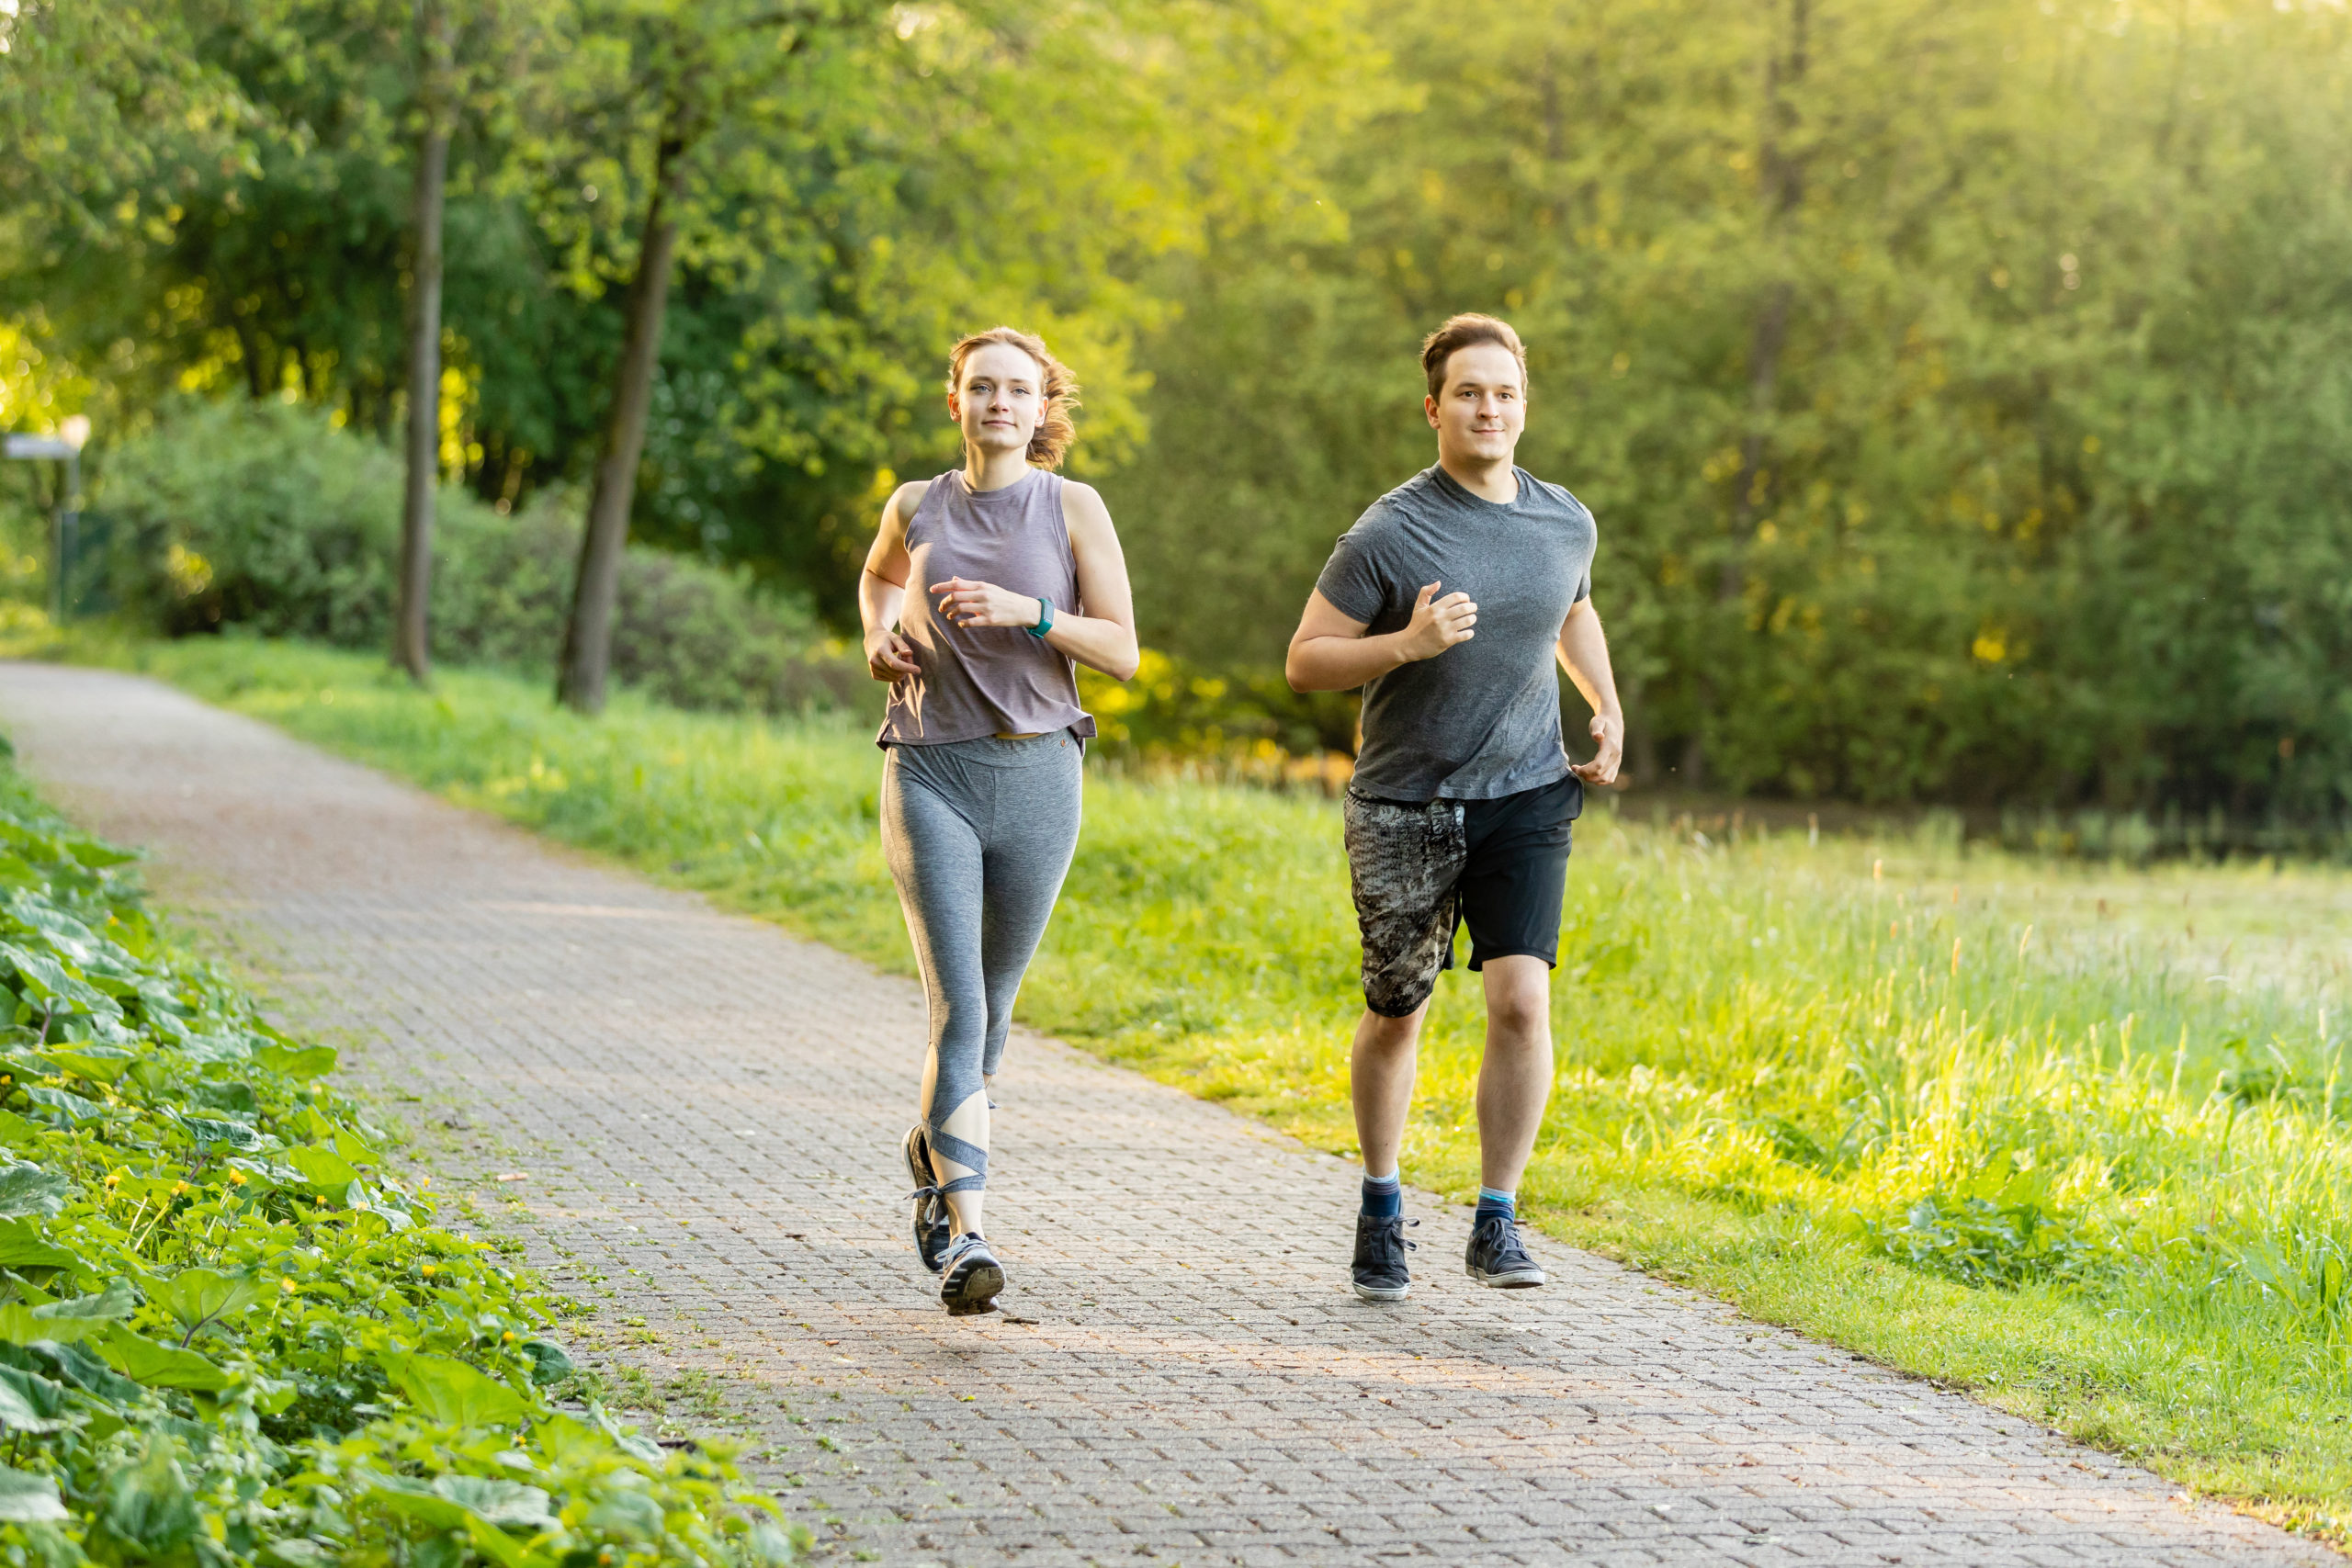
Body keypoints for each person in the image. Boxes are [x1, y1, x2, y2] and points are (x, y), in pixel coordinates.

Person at [1284, 313, 1623, 1303]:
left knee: (1521, 1001)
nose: (1489, 409)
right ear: (1434, 409)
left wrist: (1605, 705)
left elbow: (1572, 609)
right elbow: (1304, 660)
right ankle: (1381, 1206)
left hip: (1528, 792)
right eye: (1469, 393)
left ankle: (1496, 1217)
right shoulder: (1389, 531)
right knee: (1398, 1014)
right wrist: (1407, 644)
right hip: (1406, 804)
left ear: (1524, 406)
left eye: (1504, 393)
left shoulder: (1565, 519)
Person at [858, 327, 1138, 1314]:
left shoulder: (1073, 507)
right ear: (957, 402)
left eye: (1018, 390)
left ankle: (933, 1158)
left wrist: (1032, 612)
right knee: (960, 1007)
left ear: (1040, 407)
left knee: (996, 1010)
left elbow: (1122, 651)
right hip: (929, 769)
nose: (999, 404)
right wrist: (877, 633)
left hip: (1040, 778)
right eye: (982, 388)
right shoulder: (915, 504)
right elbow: (879, 577)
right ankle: (968, 1237)